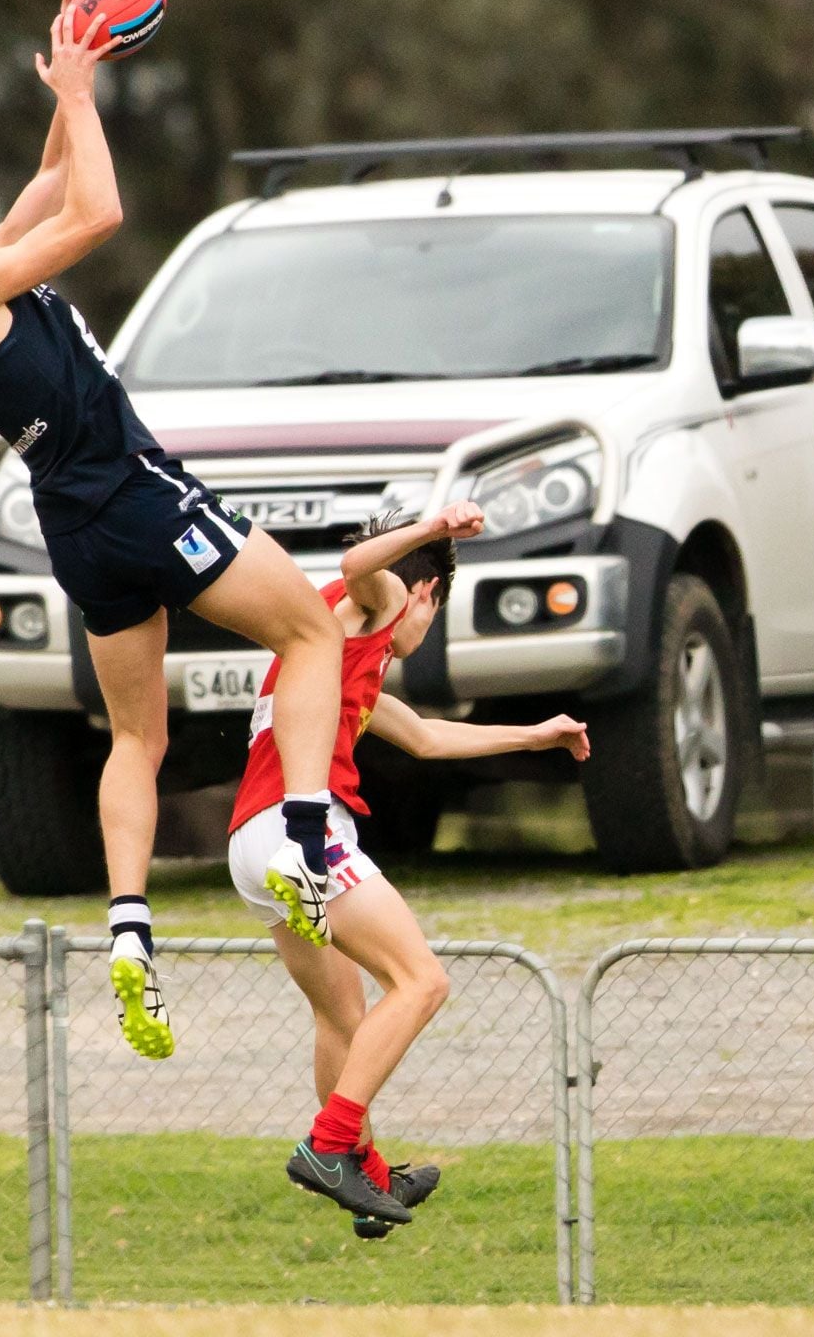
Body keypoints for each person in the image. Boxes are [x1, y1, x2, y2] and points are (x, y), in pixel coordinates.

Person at [0, 0, 346, 1061]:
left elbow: (46, 187)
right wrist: (80, 95)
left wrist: (76, 77)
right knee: (313, 633)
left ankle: (128, 932)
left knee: (136, 736)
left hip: (76, 527)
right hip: (136, 495)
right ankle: (307, 844)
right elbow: (98, 214)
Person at [223, 506, 589, 1228]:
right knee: (421, 981)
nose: (422, 636)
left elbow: (424, 738)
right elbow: (360, 565)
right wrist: (433, 530)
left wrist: (535, 735)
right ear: (423, 595)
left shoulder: (331, 651)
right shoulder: (379, 604)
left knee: (343, 1014)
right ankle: (329, 1147)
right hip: (306, 828)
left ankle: (364, 1173)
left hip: (250, 841)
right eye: (435, 614)